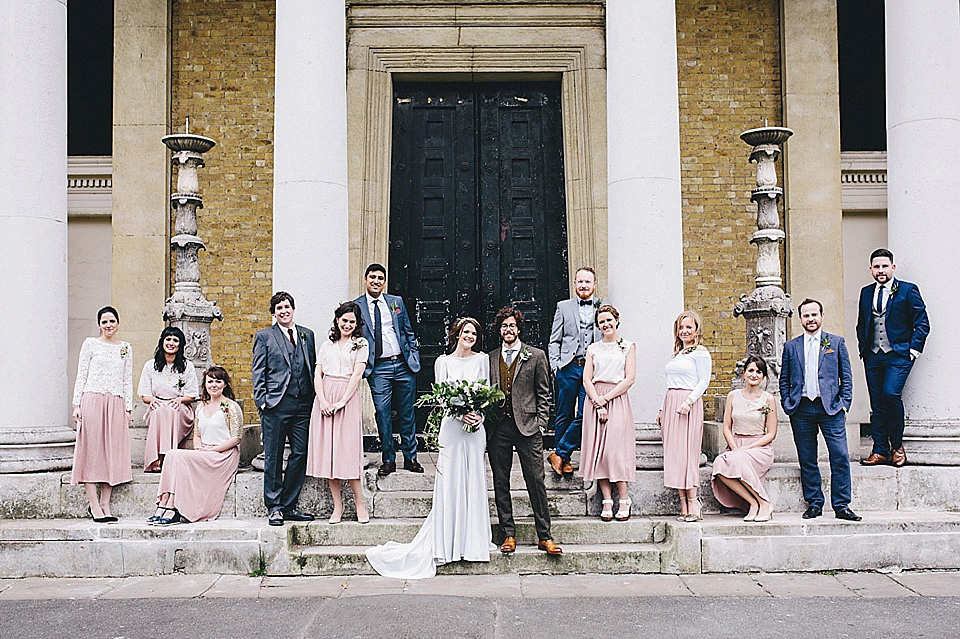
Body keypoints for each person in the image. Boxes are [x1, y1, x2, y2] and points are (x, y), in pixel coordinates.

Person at [366, 317, 493, 579]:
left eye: (473, 333)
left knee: (474, 481)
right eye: (465, 332)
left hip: (474, 431)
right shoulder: (443, 362)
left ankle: (473, 543)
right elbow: (441, 397)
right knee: (451, 483)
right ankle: (448, 544)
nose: (469, 336)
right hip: (452, 429)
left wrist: (478, 415)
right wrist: (459, 414)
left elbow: (486, 392)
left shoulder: (482, 360)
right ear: (456, 334)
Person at [487, 307, 562, 555]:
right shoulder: (490, 357)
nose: (508, 330)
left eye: (512, 326)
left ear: (518, 329)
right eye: (504, 326)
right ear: (500, 331)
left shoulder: (536, 355)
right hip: (499, 427)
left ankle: (545, 536)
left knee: (536, 481)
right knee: (501, 481)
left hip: (528, 427)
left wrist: (542, 423)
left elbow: (544, 392)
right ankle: (508, 534)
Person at [780, 298, 860, 521]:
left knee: (840, 456)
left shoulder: (835, 343)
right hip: (802, 408)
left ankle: (842, 505)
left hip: (831, 409)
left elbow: (847, 376)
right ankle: (814, 503)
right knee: (807, 458)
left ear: (822, 316)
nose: (811, 319)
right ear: (800, 319)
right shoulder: (791, 346)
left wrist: (844, 403)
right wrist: (788, 404)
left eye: (814, 314)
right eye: (806, 315)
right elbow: (784, 379)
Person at [856, 248, 930, 468]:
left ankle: (897, 446)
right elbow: (862, 323)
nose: (881, 271)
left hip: (898, 355)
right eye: (876, 267)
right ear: (871, 269)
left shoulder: (907, 290)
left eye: (884, 266)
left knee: (890, 394)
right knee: (876, 404)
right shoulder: (866, 292)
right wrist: (863, 348)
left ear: (893, 268)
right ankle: (879, 450)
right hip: (873, 356)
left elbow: (922, 322)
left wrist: (913, 349)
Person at [252, 291, 317, 527]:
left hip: (303, 405)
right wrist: (263, 402)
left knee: (300, 454)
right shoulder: (264, 337)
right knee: (274, 456)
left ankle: (289, 505)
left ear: (293, 309)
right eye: (278, 308)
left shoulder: (306, 335)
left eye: (287, 306)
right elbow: (258, 371)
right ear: (274, 313)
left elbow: (311, 366)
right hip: (276, 405)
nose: (283, 311)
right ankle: (274, 507)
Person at [149, 366, 243, 525]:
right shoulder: (201, 406)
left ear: (225, 384)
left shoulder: (231, 407)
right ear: (205, 384)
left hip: (223, 455)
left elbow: (236, 438)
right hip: (204, 450)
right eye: (210, 381)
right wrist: (199, 449)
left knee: (177, 455)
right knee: (172, 454)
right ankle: (164, 501)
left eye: (218, 381)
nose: (214, 385)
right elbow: (197, 434)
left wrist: (212, 449)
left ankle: (172, 505)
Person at [353, 263, 423, 477]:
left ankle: (411, 458)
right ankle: (388, 459)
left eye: (380, 278)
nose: (376, 281)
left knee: (407, 413)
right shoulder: (357, 306)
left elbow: (408, 331)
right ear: (365, 280)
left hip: (402, 364)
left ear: (384, 282)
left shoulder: (395, 302)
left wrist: (413, 355)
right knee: (383, 414)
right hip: (379, 368)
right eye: (372, 277)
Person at [306, 301, 370, 524]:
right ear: (337, 320)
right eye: (344, 320)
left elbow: (357, 375)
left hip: (347, 398)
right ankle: (338, 506)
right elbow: (318, 375)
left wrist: (342, 401)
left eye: (352, 321)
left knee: (348, 453)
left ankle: (360, 503)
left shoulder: (360, 344)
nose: (348, 325)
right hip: (325, 398)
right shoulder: (326, 346)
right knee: (329, 455)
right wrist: (323, 400)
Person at [71, 306, 133, 523]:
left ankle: (106, 503)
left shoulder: (125, 348)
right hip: (92, 399)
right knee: (92, 450)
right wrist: (76, 404)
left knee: (112, 452)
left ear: (118, 323)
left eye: (112, 321)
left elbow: (127, 379)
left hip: (115, 401)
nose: (108, 325)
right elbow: (82, 374)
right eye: (104, 321)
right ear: (99, 324)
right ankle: (94, 504)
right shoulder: (90, 344)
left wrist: (128, 408)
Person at [581, 304, 637, 522]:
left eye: (609, 320)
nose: (606, 324)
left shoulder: (627, 346)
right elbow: (587, 378)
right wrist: (597, 401)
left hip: (616, 398)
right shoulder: (593, 349)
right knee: (600, 451)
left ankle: (624, 498)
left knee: (614, 450)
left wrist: (607, 399)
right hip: (595, 400)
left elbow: (629, 378)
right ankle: (606, 499)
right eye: (601, 321)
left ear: (616, 320)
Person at [548, 266, 603, 476]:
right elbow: (555, 339)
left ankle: (560, 453)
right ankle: (566, 460)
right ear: (575, 284)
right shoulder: (563, 307)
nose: (584, 285)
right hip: (569, 366)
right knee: (564, 413)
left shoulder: (604, 307)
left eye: (587, 282)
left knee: (585, 414)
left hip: (593, 369)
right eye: (580, 282)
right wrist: (556, 366)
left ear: (594, 284)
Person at [658, 310, 712, 522]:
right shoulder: (678, 354)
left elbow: (703, 381)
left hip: (688, 405)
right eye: (681, 327)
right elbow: (670, 384)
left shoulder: (700, 353)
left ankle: (694, 502)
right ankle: (682, 504)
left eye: (689, 327)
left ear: (697, 329)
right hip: (671, 403)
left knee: (688, 453)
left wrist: (689, 402)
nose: (684, 331)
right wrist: (662, 409)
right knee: (674, 455)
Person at [712, 355, 778, 522]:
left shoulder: (768, 399)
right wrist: (734, 447)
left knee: (740, 458)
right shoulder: (733, 396)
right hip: (736, 444)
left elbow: (771, 433)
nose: (754, 375)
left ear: (763, 376)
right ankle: (753, 503)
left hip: (759, 448)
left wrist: (749, 448)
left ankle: (765, 502)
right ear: (744, 373)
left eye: (758, 372)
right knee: (720, 463)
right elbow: (727, 427)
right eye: (751, 370)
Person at [138, 326, 198, 472]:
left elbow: (192, 395)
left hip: (180, 407)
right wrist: (152, 400)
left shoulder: (187, 366)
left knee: (170, 410)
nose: (171, 343)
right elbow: (144, 395)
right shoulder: (150, 365)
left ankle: (166, 457)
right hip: (157, 404)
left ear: (180, 345)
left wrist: (180, 400)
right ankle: (155, 459)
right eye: (168, 339)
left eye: (175, 340)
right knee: (160, 411)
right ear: (162, 342)